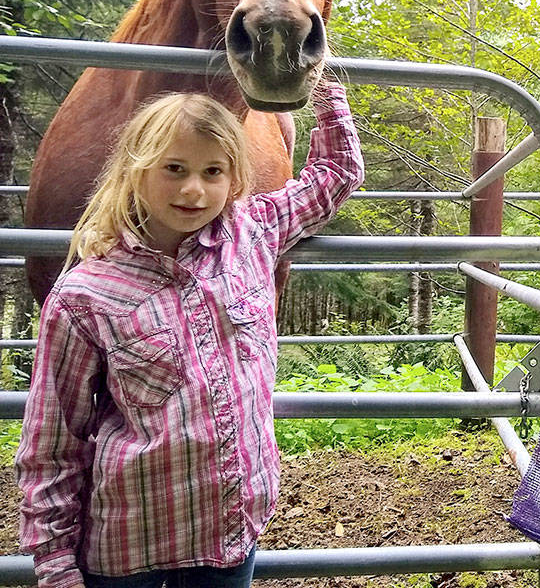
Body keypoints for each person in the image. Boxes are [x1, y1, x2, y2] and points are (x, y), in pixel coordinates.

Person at [16, 77, 364, 588]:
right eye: (173, 169)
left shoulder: (253, 232)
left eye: (212, 171)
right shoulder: (86, 293)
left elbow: (335, 175)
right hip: (130, 550)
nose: (193, 189)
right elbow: (52, 441)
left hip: (230, 536)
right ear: (137, 170)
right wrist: (55, 565)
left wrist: (320, 82)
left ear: (234, 178)